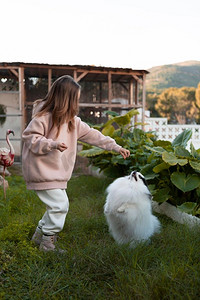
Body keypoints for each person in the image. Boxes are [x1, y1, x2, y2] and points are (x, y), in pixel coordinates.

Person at [22, 75, 130, 252]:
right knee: (60, 205)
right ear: (66, 100)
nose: (77, 104)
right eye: (76, 100)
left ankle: (40, 235)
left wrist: (115, 147)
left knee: (55, 205)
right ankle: (47, 244)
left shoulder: (74, 122)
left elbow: (95, 135)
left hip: (56, 173)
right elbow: (30, 138)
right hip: (41, 171)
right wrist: (52, 144)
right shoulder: (43, 117)